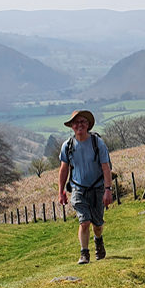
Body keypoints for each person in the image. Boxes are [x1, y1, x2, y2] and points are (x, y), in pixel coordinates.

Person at [57, 110, 113, 264]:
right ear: (72, 126)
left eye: (82, 122)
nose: (79, 125)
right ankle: (84, 253)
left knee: (98, 224)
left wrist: (108, 190)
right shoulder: (67, 146)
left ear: (88, 125)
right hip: (77, 189)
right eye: (76, 122)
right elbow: (64, 169)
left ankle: (98, 240)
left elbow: (106, 167)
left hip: (97, 188)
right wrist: (61, 191)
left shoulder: (97, 143)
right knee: (84, 221)